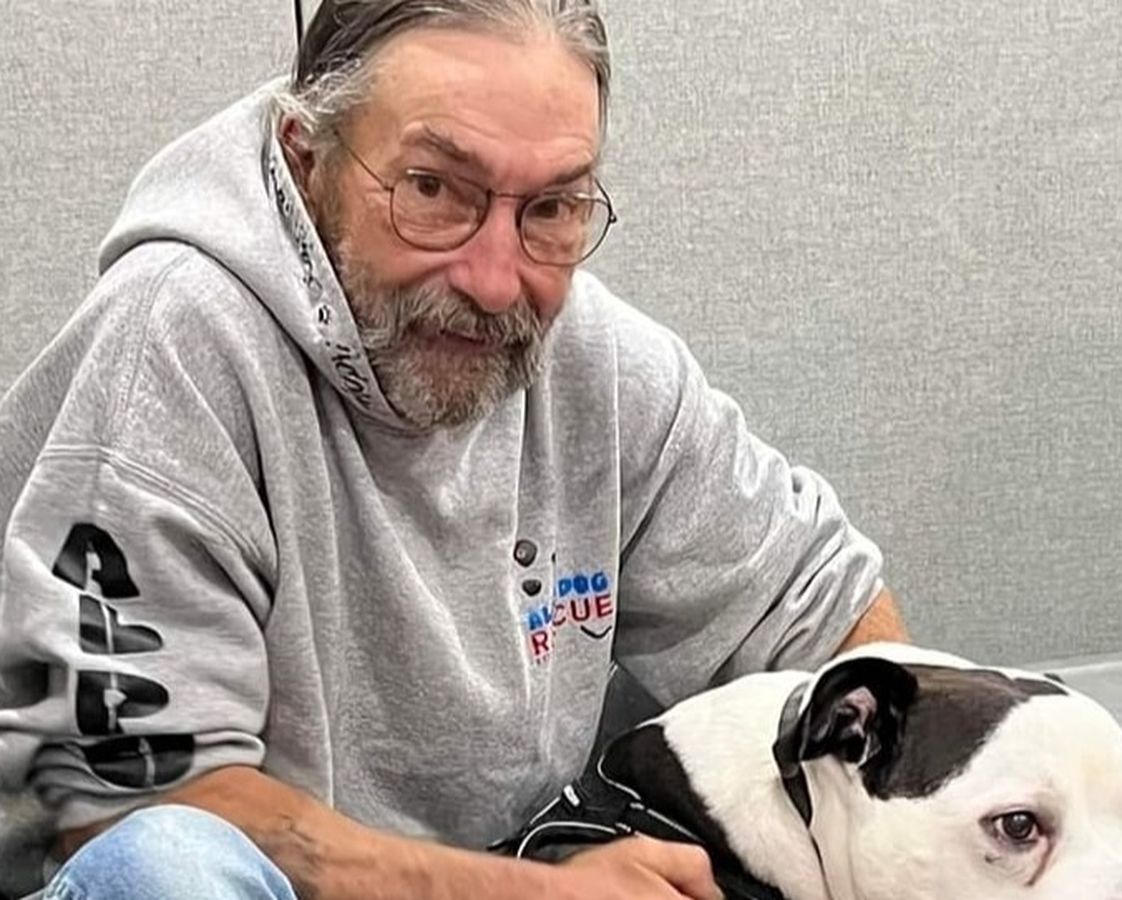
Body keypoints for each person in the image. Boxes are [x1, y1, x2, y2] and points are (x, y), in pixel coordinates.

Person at [0, 1, 908, 897]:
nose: (495, 281)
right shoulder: (174, 344)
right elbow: (135, 802)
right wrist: (541, 896)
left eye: (551, 207)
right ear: (305, 161)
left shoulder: (599, 365)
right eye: (433, 190)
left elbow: (825, 612)